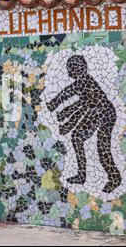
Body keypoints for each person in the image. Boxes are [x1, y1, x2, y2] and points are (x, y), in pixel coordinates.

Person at [47, 55, 121, 193]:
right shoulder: (81, 82)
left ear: (76, 70)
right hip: (96, 111)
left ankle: (114, 177)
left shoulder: (85, 82)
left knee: (102, 148)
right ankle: (81, 175)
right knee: (76, 137)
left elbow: (80, 106)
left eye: (71, 68)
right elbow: (67, 94)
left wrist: (66, 119)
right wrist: (53, 105)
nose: (69, 71)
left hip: (105, 113)